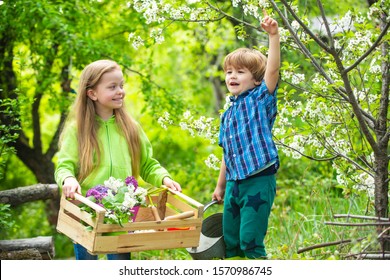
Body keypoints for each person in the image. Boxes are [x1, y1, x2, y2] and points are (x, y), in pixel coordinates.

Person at [54, 59, 181, 260]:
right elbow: (64, 166)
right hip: (87, 212)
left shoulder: (131, 128)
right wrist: (68, 179)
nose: (120, 91)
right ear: (92, 93)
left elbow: (147, 164)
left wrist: (164, 178)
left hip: (122, 213)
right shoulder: (77, 131)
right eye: (112, 87)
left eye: (121, 85)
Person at [212, 11, 280, 259]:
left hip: (258, 178)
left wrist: (273, 36)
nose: (232, 76)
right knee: (230, 241)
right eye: (229, 71)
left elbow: (272, 70)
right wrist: (221, 186)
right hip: (234, 183)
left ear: (255, 80)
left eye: (240, 72)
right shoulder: (227, 114)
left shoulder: (260, 99)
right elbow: (226, 153)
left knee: (249, 241)